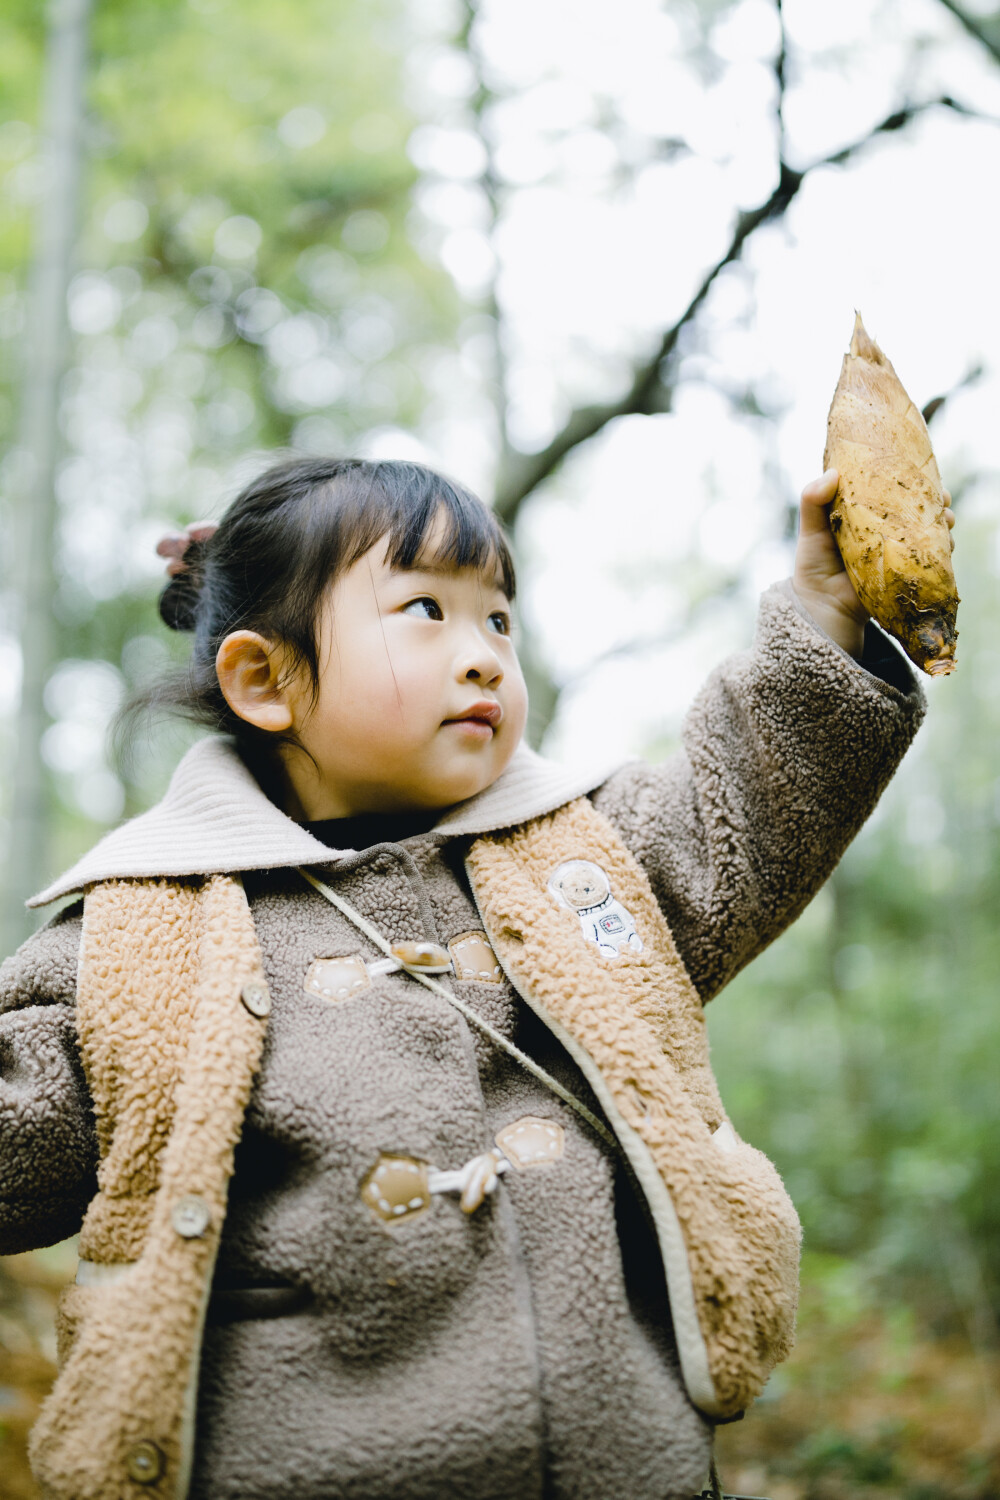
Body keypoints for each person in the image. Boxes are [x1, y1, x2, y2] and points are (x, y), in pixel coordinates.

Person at [0, 456, 948, 1500]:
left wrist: (822, 612)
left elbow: (751, 805)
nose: (484, 657)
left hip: (621, 1462)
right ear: (265, 681)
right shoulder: (146, 933)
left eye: (498, 620)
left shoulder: (586, 861)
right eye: (424, 611)